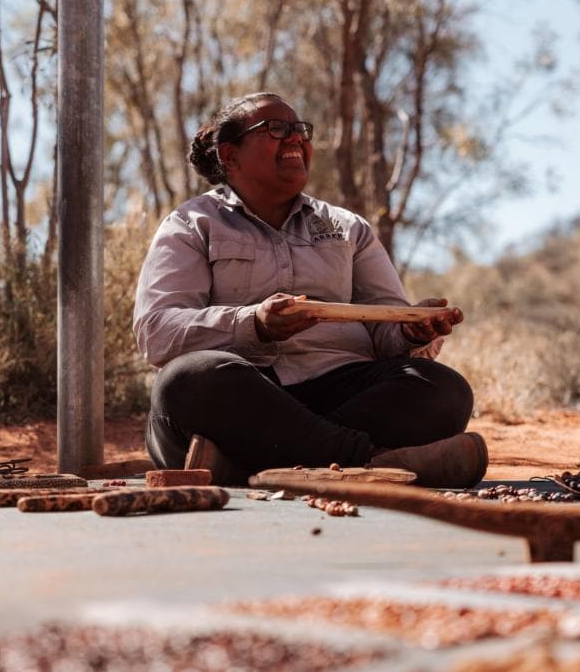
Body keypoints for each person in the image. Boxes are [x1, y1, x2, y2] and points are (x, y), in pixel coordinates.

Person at [133, 92, 487, 487]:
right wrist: (255, 325)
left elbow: (385, 329)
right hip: (246, 396)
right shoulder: (191, 224)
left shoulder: (349, 228)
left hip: (341, 394)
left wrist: (408, 330)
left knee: (443, 389)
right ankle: (367, 464)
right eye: (276, 129)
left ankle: (250, 468)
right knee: (187, 381)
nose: (296, 139)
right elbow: (157, 331)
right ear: (230, 157)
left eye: (301, 130)